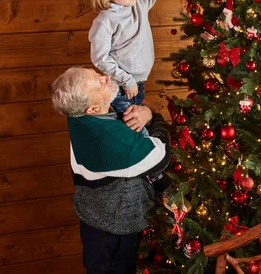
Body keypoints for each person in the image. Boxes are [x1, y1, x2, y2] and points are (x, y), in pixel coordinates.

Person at [51, 66, 171, 274]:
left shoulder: (81, 116)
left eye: (97, 74)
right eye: (99, 82)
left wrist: (141, 112)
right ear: (93, 108)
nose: (106, 77)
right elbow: (160, 156)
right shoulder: (108, 141)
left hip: (97, 220)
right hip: (115, 229)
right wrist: (155, 117)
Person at [88, 0, 203, 126]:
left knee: (138, 124)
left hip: (137, 85)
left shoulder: (139, 1)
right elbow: (100, 57)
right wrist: (126, 80)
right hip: (119, 87)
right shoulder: (105, 21)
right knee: (131, 128)